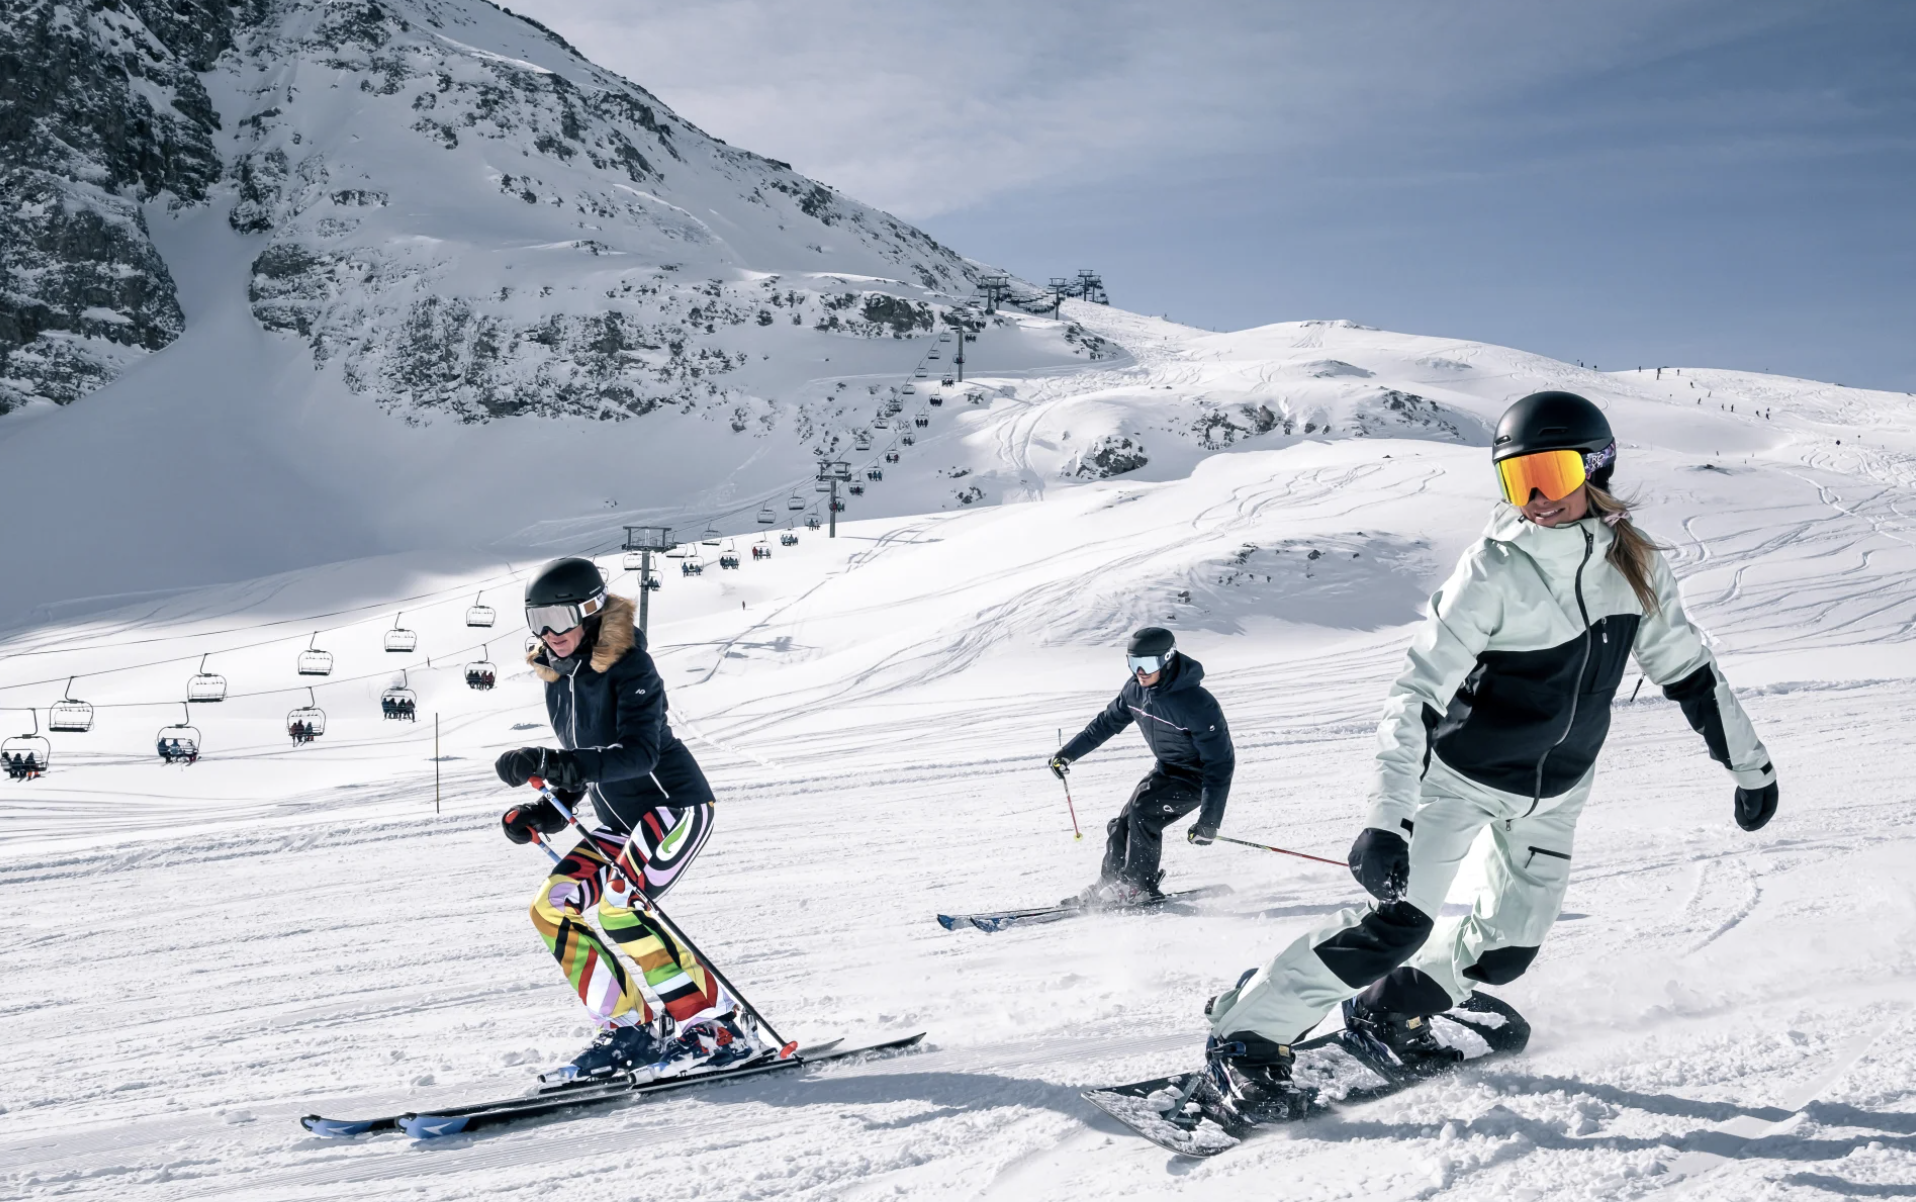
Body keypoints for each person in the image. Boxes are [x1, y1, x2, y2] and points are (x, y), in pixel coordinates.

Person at [1198, 391, 1779, 1125]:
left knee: (1504, 952)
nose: (1535, 498)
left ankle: (1392, 1010)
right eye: (1517, 481)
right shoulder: (1494, 569)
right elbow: (1415, 693)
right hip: (1460, 782)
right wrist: (1386, 818)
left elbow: (1691, 671)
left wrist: (1750, 765)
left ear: (1597, 469)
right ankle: (1246, 1035)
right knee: (1395, 923)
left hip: (1558, 793)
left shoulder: (1637, 567)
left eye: (1550, 475)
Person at [495, 557, 754, 1081]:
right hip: (616, 823)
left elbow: (638, 754)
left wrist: (549, 761)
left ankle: (715, 1024)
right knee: (552, 908)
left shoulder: (630, 664)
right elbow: (581, 761)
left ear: (590, 611)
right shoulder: (557, 677)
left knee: (620, 906)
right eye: (537, 619)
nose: (549, 632)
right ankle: (629, 1028)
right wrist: (546, 811)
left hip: (672, 807)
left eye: (560, 617)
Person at [1049, 627, 1235, 907]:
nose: (1140, 672)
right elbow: (1106, 723)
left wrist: (1209, 821)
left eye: (1147, 664)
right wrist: (1068, 754)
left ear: (1168, 659)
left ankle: (1138, 885)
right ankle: (1109, 883)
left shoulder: (1197, 704)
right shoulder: (1134, 691)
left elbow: (1220, 764)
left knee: (1143, 815)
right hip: (1167, 770)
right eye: (1133, 663)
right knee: (1123, 822)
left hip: (1197, 779)